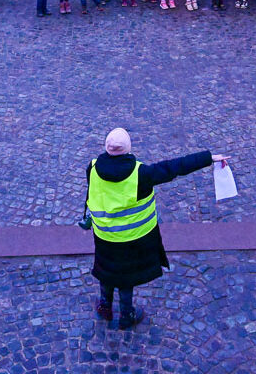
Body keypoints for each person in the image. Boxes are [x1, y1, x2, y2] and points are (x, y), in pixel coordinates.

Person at [85, 127, 229, 329]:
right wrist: (208, 158)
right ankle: (127, 315)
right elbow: (175, 167)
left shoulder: (91, 168)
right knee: (126, 278)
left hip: (104, 236)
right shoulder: (141, 174)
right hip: (133, 239)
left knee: (106, 271)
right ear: (129, 149)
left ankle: (105, 307)